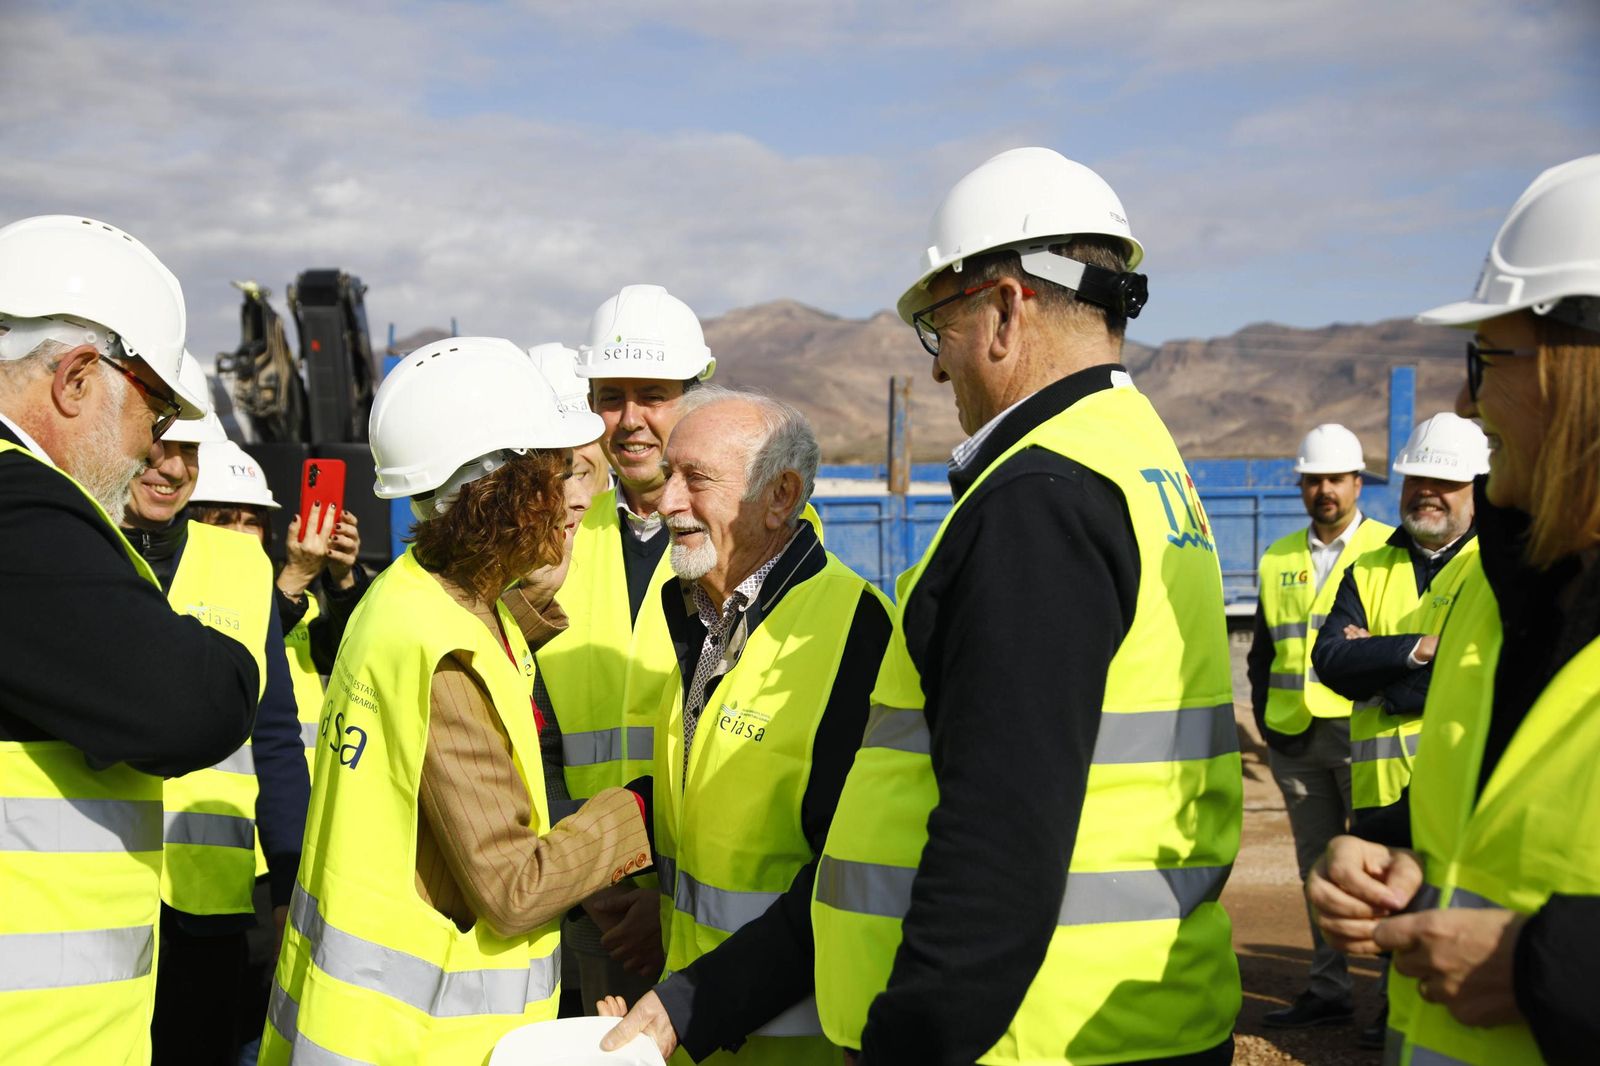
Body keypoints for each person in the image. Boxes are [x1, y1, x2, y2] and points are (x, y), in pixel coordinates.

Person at [811, 147, 1242, 1065]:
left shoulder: (1038, 499)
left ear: (1006, 309)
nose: (937, 374)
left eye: (940, 330)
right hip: (1125, 1022)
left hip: (1036, 1038)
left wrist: (909, 1047)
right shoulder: (1138, 460)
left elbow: (997, 849)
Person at [259, 336, 655, 1064]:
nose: (573, 496)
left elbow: (491, 631)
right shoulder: (445, 652)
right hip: (418, 1042)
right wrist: (639, 812)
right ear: (500, 488)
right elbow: (513, 888)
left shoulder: (409, 595)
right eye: (556, 473)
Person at [1308, 154, 1600, 1066]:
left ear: (1578, 370)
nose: (1469, 399)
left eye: (1489, 358)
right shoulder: (1499, 587)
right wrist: (1397, 854)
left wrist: (1544, 970)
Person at [0, 214, 260, 1065]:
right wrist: (226, 656)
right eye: (154, 405)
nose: (156, 442)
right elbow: (187, 705)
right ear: (78, 378)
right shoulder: (21, 505)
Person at [597, 388, 891, 1063]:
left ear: (780, 495)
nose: (667, 500)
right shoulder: (690, 610)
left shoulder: (858, 633)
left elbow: (846, 879)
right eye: (669, 474)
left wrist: (694, 1003)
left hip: (793, 1045)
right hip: (692, 1025)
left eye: (694, 479)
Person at [114, 360, 309, 1065]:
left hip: (209, 895)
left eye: (189, 450)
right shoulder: (83, 553)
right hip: (100, 886)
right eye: (161, 443)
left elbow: (277, 737)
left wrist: (289, 884)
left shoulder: (240, 566)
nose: (172, 467)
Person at [534, 289, 717, 1010]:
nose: (632, 419)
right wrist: (596, 886)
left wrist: (668, 892)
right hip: (591, 906)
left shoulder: (765, 544)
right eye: (611, 397)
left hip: (712, 906)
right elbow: (528, 734)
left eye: (655, 395)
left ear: (694, 399)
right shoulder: (555, 547)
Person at [1307, 412, 1487, 1048]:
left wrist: (1378, 660)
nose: (1427, 492)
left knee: (1453, 922)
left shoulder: (1492, 571)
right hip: (1379, 791)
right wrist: (1419, 650)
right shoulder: (1369, 568)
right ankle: (1392, 1021)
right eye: (1417, 478)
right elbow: (1330, 662)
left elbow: (1475, 675)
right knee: (1389, 919)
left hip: (1457, 792)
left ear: (1478, 489)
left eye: (1446, 481)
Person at [1248, 421, 1395, 1029]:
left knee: (1381, 863)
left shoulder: (1391, 549)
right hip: (1295, 735)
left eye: (1335, 479)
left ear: (1358, 483)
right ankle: (1328, 989)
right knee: (1315, 865)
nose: (1324, 490)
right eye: (1314, 481)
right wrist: (1266, 722)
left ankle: (1390, 1004)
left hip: (1365, 734)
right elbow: (1263, 650)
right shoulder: (1279, 555)